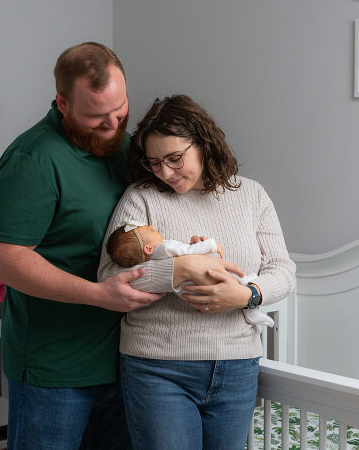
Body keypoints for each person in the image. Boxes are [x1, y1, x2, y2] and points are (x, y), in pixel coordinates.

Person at [0, 44, 241, 450]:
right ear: (62, 102)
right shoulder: (33, 159)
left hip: (129, 364)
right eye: (96, 116)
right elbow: (2, 260)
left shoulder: (127, 148)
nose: (111, 124)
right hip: (58, 368)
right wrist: (98, 294)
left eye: (119, 110)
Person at [97, 94, 296, 450]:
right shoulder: (141, 197)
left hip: (237, 366)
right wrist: (179, 269)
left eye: (175, 158)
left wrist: (246, 294)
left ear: (204, 144)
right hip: (158, 368)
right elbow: (109, 275)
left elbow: (283, 271)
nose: (165, 172)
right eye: (154, 162)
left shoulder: (251, 196)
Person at [106, 218, 274, 327]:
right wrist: (211, 245)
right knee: (234, 277)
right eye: (149, 230)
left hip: (188, 289)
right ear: (148, 248)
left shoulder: (152, 257)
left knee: (233, 283)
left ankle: (249, 301)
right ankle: (249, 300)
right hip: (202, 281)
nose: (151, 226)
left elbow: (183, 255)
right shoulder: (164, 247)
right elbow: (188, 251)